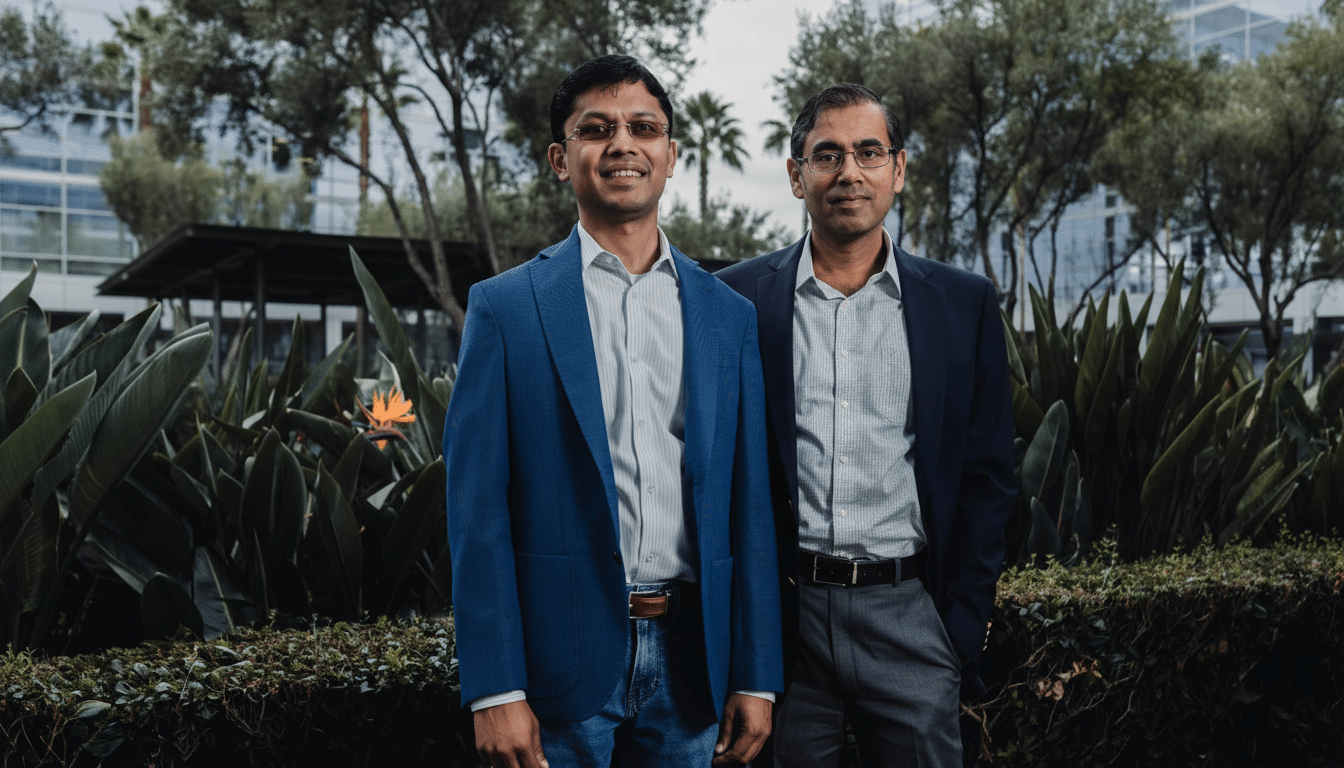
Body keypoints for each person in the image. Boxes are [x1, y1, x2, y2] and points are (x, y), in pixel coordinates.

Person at [444, 55, 782, 768]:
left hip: (696, 666)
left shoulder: (729, 315)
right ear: (561, 159)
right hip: (554, 671)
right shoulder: (505, 309)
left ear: (670, 155)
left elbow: (748, 509)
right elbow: (477, 515)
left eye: (644, 128)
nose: (623, 143)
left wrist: (756, 672)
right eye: (596, 130)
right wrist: (493, 688)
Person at [716, 83, 1017, 767]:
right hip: (783, 623)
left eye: (868, 152)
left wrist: (959, 627)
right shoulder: (735, 299)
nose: (849, 172)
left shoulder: (963, 304)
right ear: (797, 175)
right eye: (827, 155)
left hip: (911, 614)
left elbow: (989, 476)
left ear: (897, 169)